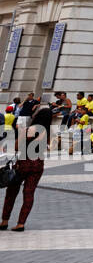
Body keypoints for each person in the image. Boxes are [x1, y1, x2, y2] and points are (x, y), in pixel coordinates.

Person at [2, 95, 51, 231]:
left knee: (11, 192)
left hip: (23, 163)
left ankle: (4, 221)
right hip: (38, 165)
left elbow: (17, 147)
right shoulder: (47, 132)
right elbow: (48, 147)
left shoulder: (29, 130)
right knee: (29, 194)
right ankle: (21, 223)